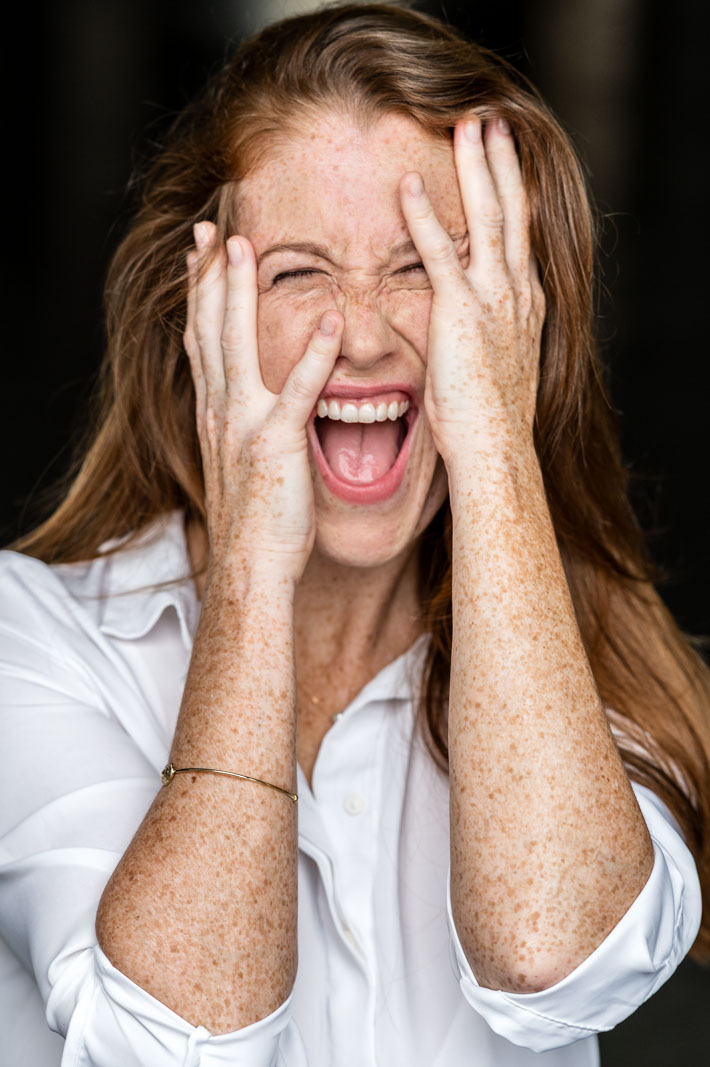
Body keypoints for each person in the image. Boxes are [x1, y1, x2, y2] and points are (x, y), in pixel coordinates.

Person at [1, 3, 708, 1064]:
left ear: (512, 315)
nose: (366, 335)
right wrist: (250, 565)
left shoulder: (588, 658)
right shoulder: (32, 634)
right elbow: (174, 1038)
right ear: (196, 319)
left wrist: (494, 446)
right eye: (296, 271)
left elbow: (555, 956)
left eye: (426, 265)